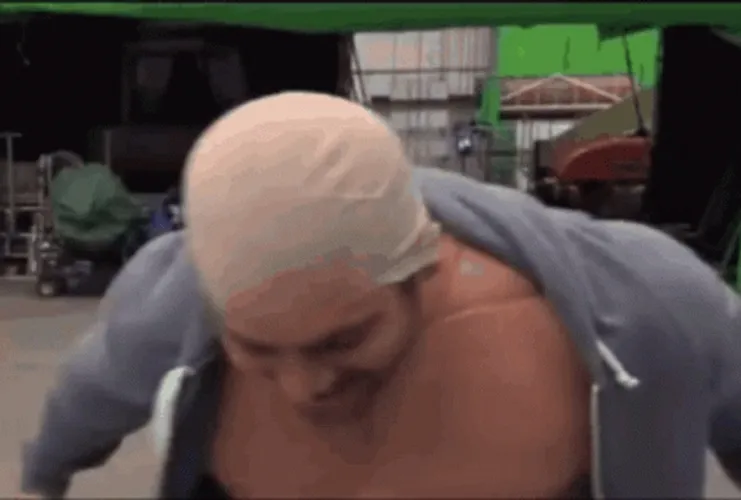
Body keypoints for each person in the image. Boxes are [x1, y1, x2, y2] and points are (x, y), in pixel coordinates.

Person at [19, 92, 741, 499]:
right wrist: (43, 480)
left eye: (341, 339)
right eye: (258, 348)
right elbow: (83, 403)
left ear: (425, 269)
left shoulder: (649, 305)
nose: (303, 386)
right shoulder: (177, 296)